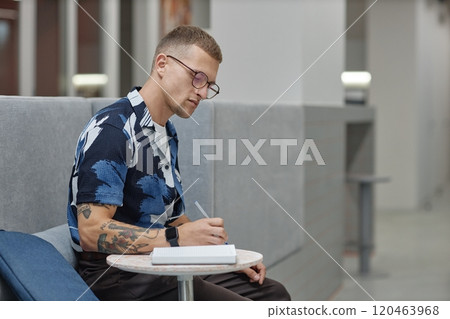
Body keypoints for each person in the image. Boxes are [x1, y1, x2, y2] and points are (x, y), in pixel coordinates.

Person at [67, 25, 291, 301]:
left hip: (161, 259)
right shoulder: (113, 128)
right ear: (162, 64)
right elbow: (91, 232)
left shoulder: (167, 132)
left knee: (272, 293)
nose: (203, 92)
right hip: (116, 274)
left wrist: (228, 256)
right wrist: (178, 238)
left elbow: (174, 218)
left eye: (209, 84)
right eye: (197, 77)